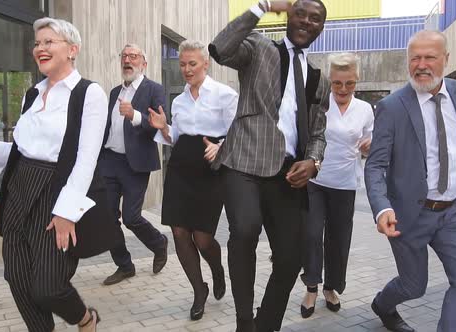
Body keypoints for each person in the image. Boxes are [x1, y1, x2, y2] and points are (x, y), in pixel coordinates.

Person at [0, 17, 111, 331]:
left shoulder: (89, 93)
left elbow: (86, 159)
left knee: (47, 287)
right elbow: (22, 151)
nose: (40, 48)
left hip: (55, 194)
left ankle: (86, 319)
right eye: (37, 43)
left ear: (72, 50)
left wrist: (67, 212)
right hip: (19, 190)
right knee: (17, 279)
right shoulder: (31, 94)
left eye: (49, 42)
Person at [209, 1, 329, 330]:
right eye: (301, 13)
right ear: (289, 16)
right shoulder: (259, 48)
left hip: (287, 175)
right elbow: (221, 47)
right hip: (244, 162)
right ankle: (244, 320)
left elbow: (318, 131)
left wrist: (313, 161)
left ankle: (266, 324)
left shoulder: (319, 79)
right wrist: (260, 7)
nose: (307, 21)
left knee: (292, 260)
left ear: (321, 28)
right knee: (245, 230)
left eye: (315, 19)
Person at [365, 30, 456, 332]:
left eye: (430, 57)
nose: (421, 65)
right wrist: (381, 208)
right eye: (415, 58)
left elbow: (452, 140)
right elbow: (375, 165)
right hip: (408, 216)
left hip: (451, 213)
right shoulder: (391, 107)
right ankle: (383, 304)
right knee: (414, 286)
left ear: (445, 59)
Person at [148, 40, 237, 321]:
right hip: (181, 168)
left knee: (203, 237)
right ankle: (199, 290)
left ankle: (217, 268)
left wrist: (221, 146)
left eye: (192, 64)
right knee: (179, 232)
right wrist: (164, 128)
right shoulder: (178, 100)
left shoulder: (225, 95)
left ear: (205, 63)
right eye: (182, 64)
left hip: (211, 169)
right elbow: (177, 138)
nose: (186, 69)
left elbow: (239, 132)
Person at [300, 52, 373, 318]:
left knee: (338, 239)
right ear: (330, 81)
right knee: (311, 235)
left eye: (349, 83)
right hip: (315, 181)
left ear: (357, 81)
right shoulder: (318, 104)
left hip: (345, 184)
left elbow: (369, 143)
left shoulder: (365, 110)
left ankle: (331, 287)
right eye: (338, 83)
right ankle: (311, 287)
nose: (343, 89)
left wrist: (369, 146)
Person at [100, 43, 168, 286]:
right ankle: (124, 265)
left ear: (144, 63)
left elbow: (160, 124)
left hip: (135, 164)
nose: (127, 60)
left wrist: (136, 116)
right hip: (109, 161)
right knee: (106, 218)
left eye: (133, 56)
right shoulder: (114, 92)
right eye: (124, 56)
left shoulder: (154, 90)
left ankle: (159, 243)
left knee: (131, 217)